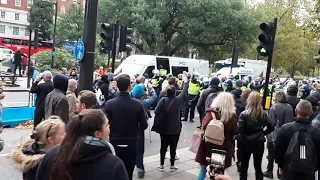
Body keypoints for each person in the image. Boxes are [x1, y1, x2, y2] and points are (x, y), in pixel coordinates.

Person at [35, 109, 129, 180]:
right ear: (97, 134)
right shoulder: (113, 164)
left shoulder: (53, 154)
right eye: (107, 125)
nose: (109, 128)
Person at [103, 74, 148, 180]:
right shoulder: (138, 104)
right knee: (129, 171)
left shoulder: (109, 104)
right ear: (129, 87)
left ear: (117, 86)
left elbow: (105, 123)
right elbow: (144, 125)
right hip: (131, 142)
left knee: (115, 171)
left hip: (114, 140)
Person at [195, 92, 238, 180]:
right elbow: (235, 132)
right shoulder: (231, 117)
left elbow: (203, 127)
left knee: (203, 169)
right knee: (217, 174)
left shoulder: (211, 114)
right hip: (222, 149)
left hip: (208, 147)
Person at [275, 100, 320, 180]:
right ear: (311, 113)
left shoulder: (285, 129)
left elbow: (278, 150)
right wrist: (314, 168)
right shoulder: (317, 132)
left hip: (289, 169)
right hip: (308, 171)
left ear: (296, 111)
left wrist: (281, 165)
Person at [237, 91, 274, 180]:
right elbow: (271, 127)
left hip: (245, 142)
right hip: (258, 142)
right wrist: (262, 133)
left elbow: (239, 129)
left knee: (244, 168)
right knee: (258, 167)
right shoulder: (263, 114)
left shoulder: (244, 114)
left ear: (249, 100)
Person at [154, 77, 188, 172]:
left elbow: (156, 111)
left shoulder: (163, 100)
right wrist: (185, 82)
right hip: (175, 128)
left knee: (163, 147)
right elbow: (184, 92)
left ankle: (161, 165)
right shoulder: (177, 100)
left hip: (164, 128)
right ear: (174, 92)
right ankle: (172, 166)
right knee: (173, 147)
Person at [264, 91, 294, 179]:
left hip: (275, 134)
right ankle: (280, 172)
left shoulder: (275, 107)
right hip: (288, 134)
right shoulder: (289, 107)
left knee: (271, 153)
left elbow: (272, 122)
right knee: (283, 154)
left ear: (277, 98)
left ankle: (269, 170)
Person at [130, 84, 157, 178]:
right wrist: (151, 88)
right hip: (138, 129)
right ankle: (140, 169)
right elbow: (154, 97)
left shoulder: (129, 99)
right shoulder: (143, 103)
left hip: (127, 128)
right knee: (139, 150)